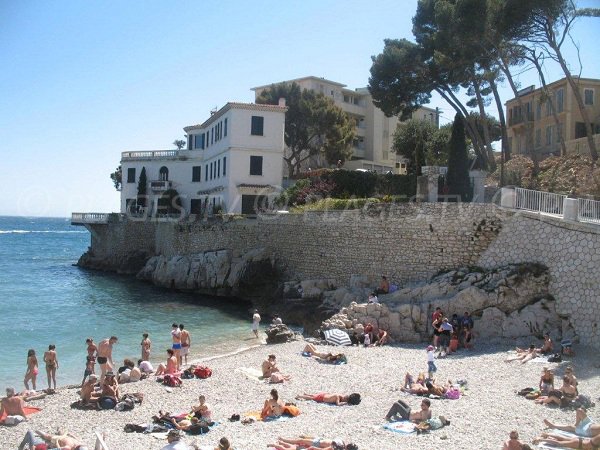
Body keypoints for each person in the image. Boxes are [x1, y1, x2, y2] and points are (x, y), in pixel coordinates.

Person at [18, 429, 88, 450]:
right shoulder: (73, 445)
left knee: (46, 435)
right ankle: (36, 432)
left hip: (61, 438)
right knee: (46, 436)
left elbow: (58, 449)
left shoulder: (74, 444)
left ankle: (36, 431)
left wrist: (56, 443)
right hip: (61, 438)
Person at [269, 437, 358, 450]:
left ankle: (282, 441)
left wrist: (314, 448)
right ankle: (283, 441)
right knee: (300, 442)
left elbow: (326, 449)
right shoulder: (341, 443)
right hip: (319, 441)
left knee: (300, 443)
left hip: (317, 444)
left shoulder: (338, 447)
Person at [295, 392, 361, 406]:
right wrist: (345, 403)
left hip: (324, 395)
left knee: (313, 396)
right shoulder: (337, 396)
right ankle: (300, 396)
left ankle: (306, 394)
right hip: (323, 398)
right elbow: (338, 404)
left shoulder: (340, 395)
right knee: (312, 398)